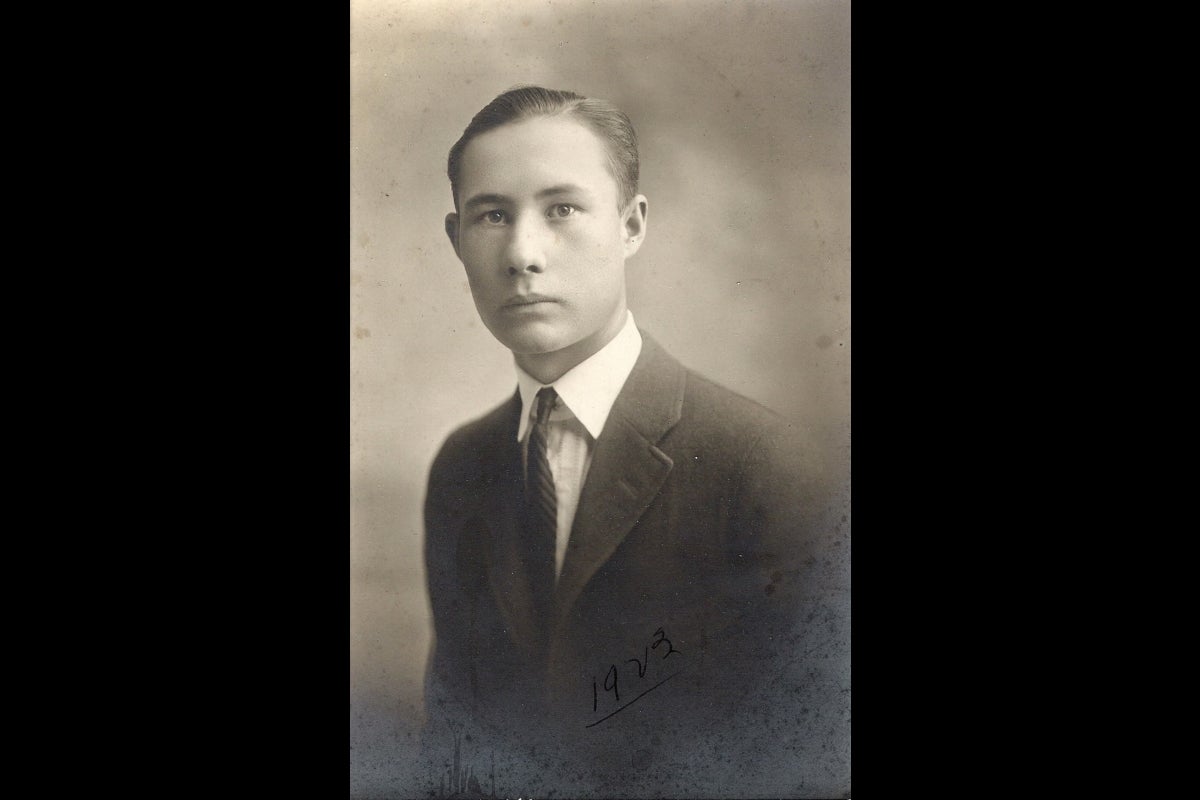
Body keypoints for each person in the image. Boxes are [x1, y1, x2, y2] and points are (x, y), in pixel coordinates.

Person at [423, 86, 839, 796]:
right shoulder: (463, 465)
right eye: (493, 215)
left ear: (632, 225)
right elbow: (454, 744)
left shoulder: (764, 466)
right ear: (457, 239)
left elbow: (805, 759)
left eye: (563, 208)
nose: (522, 253)